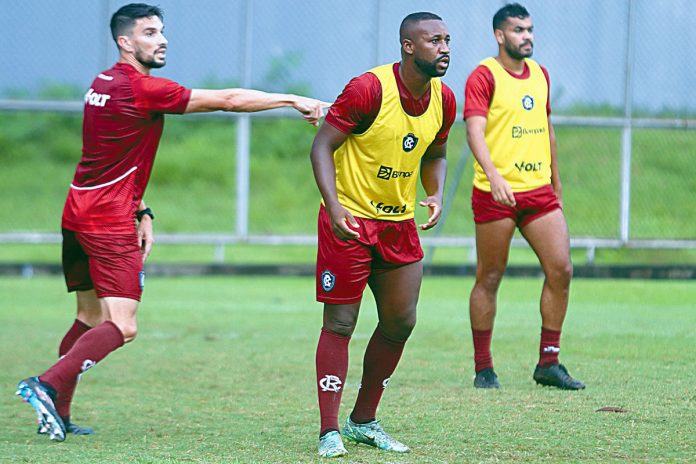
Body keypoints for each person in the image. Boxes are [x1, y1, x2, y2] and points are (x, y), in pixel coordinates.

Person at [15, 3, 328, 442]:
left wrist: (141, 208)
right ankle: (44, 385)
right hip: (106, 221)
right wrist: (293, 98)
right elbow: (229, 101)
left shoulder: (101, 83)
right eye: (148, 33)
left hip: (79, 211)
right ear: (125, 42)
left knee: (88, 317)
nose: (160, 40)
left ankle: (58, 413)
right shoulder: (140, 89)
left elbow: (115, 155)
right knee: (122, 325)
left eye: (161, 31)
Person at [310, 12, 456, 458]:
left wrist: (434, 193)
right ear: (409, 46)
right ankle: (329, 430)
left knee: (401, 321)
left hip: (398, 226)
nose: (445, 48)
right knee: (341, 323)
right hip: (351, 221)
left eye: (448, 40)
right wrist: (334, 207)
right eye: (435, 40)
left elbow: (437, 151)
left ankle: (363, 421)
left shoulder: (444, 100)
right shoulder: (369, 89)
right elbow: (321, 146)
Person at [463, 3, 584, 390]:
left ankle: (548, 363)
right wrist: (495, 176)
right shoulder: (484, 75)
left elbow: (546, 130)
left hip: (539, 192)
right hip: (496, 194)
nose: (527, 36)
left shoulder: (541, 75)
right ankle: (484, 367)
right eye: (518, 30)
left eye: (530, 29)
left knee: (561, 269)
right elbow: (474, 133)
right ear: (500, 35)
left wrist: (557, 181)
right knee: (490, 276)